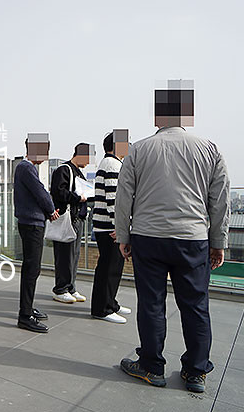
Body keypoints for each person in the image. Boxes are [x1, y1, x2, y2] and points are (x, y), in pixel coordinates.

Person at [115, 81, 229, 393]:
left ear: (157, 117)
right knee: (195, 305)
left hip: (148, 236)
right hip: (192, 238)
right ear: (187, 115)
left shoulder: (139, 149)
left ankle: (152, 367)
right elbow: (220, 200)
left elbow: (124, 197)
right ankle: (195, 372)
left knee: (151, 303)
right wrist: (218, 241)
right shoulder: (210, 149)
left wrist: (123, 235)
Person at [13, 133, 59, 333]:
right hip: (32, 224)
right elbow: (41, 192)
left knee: (32, 268)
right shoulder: (26, 168)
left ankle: (28, 308)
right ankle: (25, 316)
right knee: (32, 269)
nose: (46, 155)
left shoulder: (26, 167)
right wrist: (51, 210)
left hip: (31, 223)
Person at [90, 131, 131, 323]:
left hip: (106, 225)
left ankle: (110, 303)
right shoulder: (113, 165)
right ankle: (103, 309)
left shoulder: (109, 163)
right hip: (109, 228)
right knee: (109, 269)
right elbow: (113, 199)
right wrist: (119, 227)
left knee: (111, 268)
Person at [49, 143, 91, 304]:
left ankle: (70, 287)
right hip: (67, 218)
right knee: (65, 255)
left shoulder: (78, 172)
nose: (88, 162)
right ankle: (60, 289)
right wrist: (78, 198)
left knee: (74, 255)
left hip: (77, 218)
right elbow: (58, 192)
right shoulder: (64, 170)